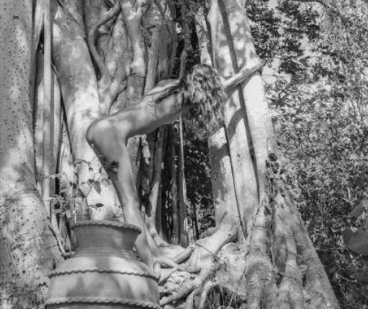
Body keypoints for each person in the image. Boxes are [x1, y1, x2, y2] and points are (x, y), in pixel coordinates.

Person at [85, 61, 261, 273]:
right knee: (129, 202)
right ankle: (149, 264)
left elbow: (203, 85)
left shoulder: (166, 87)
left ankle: (155, 254)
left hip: (99, 128)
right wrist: (245, 72)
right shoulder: (183, 101)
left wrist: (244, 72)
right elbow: (215, 89)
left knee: (131, 201)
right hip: (110, 134)